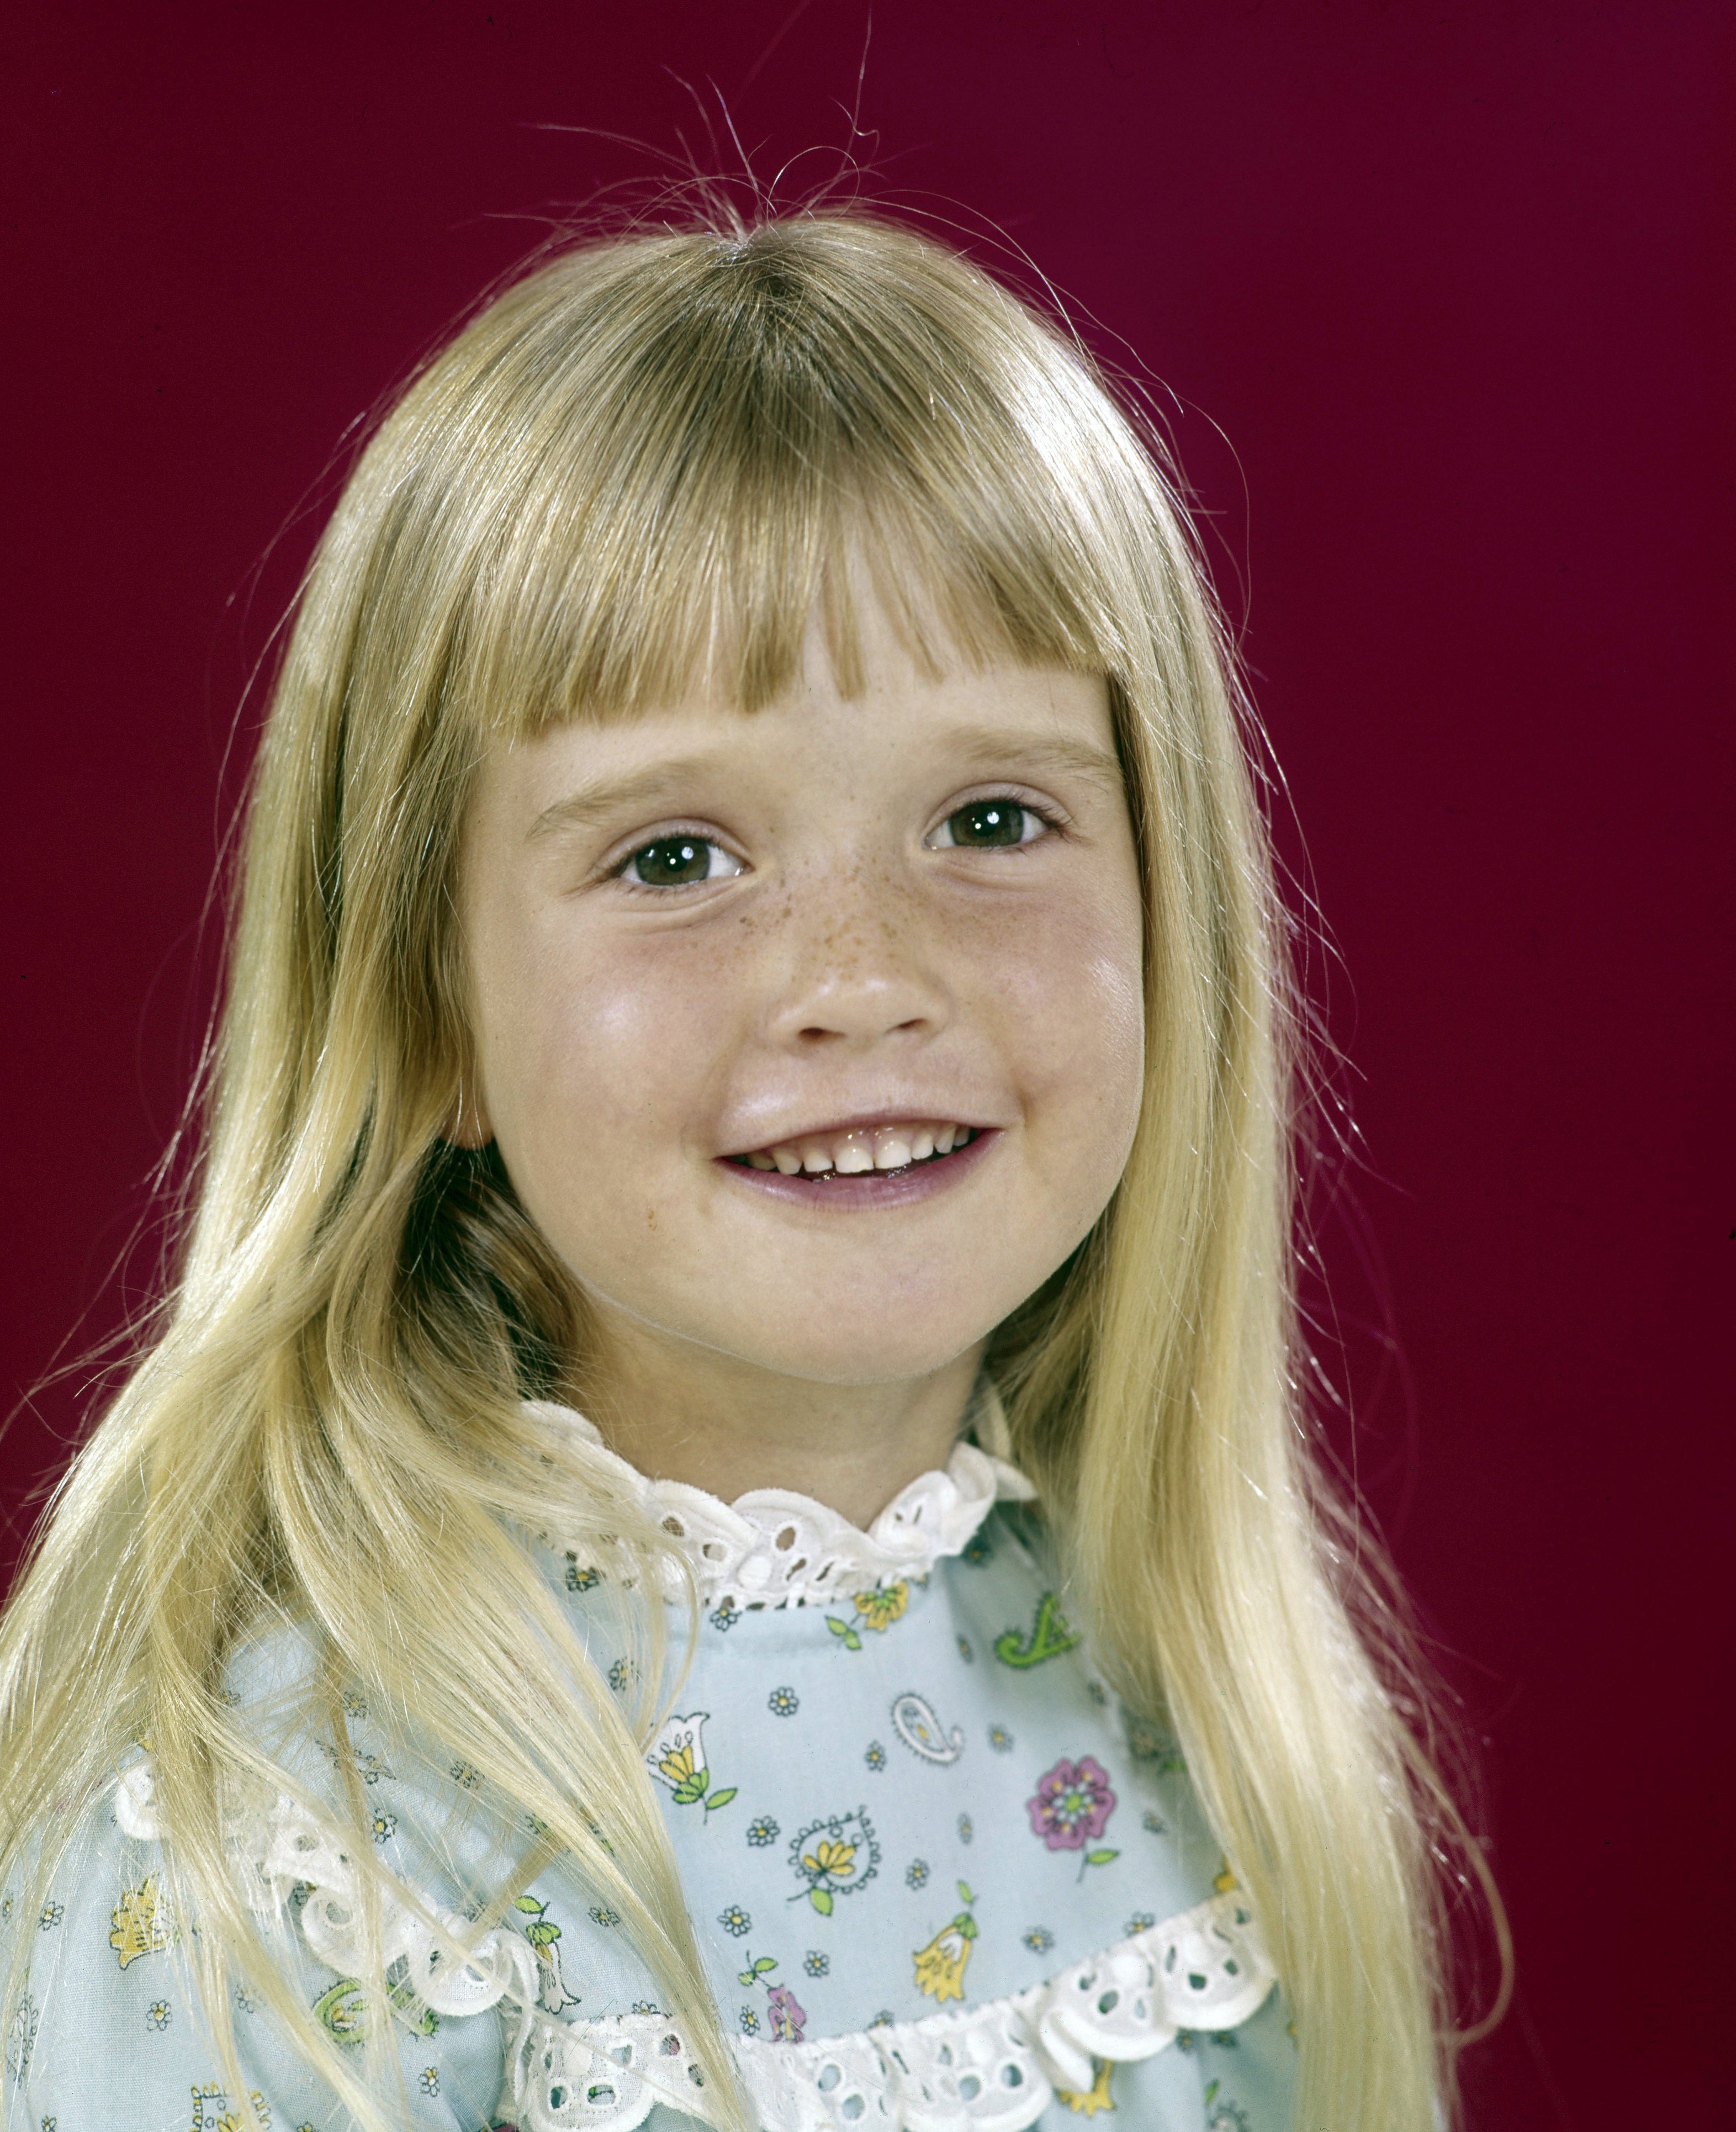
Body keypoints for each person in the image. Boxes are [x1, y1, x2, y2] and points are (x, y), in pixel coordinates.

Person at [0, 208, 1496, 2132]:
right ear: (427, 1011)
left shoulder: (1189, 1706)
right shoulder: (288, 1837)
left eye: (989, 815)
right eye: (675, 858)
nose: (862, 980)